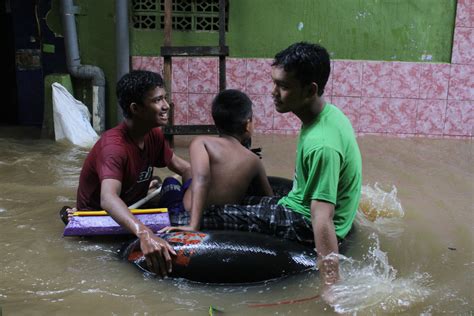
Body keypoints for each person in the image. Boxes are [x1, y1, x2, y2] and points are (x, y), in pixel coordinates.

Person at [197, 42, 362, 292]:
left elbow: (322, 218)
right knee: (241, 201)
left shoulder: (323, 144)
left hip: (303, 223)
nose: (273, 92)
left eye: (283, 86)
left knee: (211, 215)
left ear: (310, 90)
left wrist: (331, 286)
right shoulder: (327, 116)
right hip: (297, 205)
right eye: (274, 82)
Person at [62, 70, 191, 277]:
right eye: (158, 100)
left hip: (134, 206)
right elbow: (108, 199)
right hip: (104, 220)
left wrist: (191, 216)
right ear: (136, 109)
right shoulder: (114, 148)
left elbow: (186, 169)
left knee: (169, 184)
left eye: (165, 98)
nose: (166, 106)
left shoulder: (154, 135)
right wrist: (144, 233)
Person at [158, 89, 274, 232]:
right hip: (223, 214)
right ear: (247, 124)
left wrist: (193, 225)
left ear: (216, 122)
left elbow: (202, 178)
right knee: (188, 175)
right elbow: (268, 198)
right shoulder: (254, 160)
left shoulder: (202, 142)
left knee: (170, 181)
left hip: (187, 211)